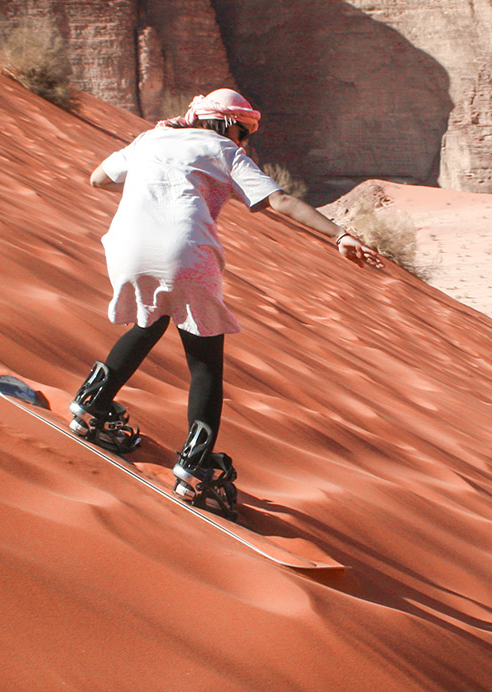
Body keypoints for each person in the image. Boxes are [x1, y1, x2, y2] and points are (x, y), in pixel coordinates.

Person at [68, 88, 382, 518]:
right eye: (243, 131)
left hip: (125, 249)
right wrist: (339, 235)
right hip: (187, 253)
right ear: (226, 125)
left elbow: (98, 179)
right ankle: (197, 468)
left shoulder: (149, 139)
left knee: (151, 319)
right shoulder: (223, 150)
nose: (244, 142)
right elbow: (280, 201)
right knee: (204, 361)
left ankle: (92, 404)